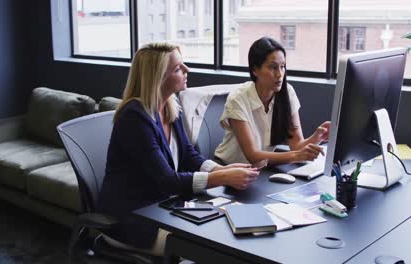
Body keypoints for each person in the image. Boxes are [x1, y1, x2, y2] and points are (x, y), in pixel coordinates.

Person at [97, 43, 260, 256]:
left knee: (226, 231)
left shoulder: (170, 106)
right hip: (132, 220)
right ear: (157, 78)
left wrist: (220, 169)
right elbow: (167, 180)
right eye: (178, 68)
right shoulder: (134, 117)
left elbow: (188, 155)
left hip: (162, 208)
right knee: (214, 248)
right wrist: (223, 177)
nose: (187, 70)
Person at [214, 37, 330, 166]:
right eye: (273, 67)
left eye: (283, 66)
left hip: (259, 170)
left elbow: (297, 147)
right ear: (255, 70)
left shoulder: (287, 93)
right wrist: (297, 155)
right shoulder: (237, 99)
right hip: (227, 169)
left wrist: (318, 137)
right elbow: (253, 155)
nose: (280, 74)